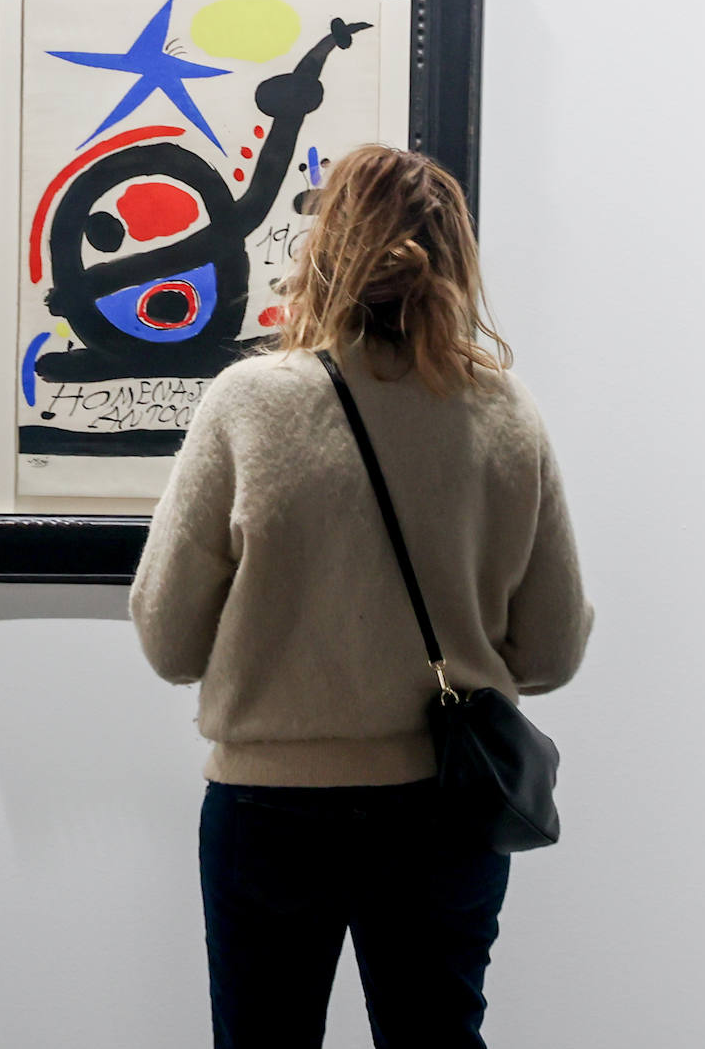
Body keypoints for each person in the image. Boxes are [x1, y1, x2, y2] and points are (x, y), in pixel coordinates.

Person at [128, 144, 595, 1049]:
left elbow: (167, 638)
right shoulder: (504, 412)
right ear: (454, 258)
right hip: (443, 806)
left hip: (267, 810)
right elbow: (552, 651)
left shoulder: (248, 403)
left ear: (326, 250)